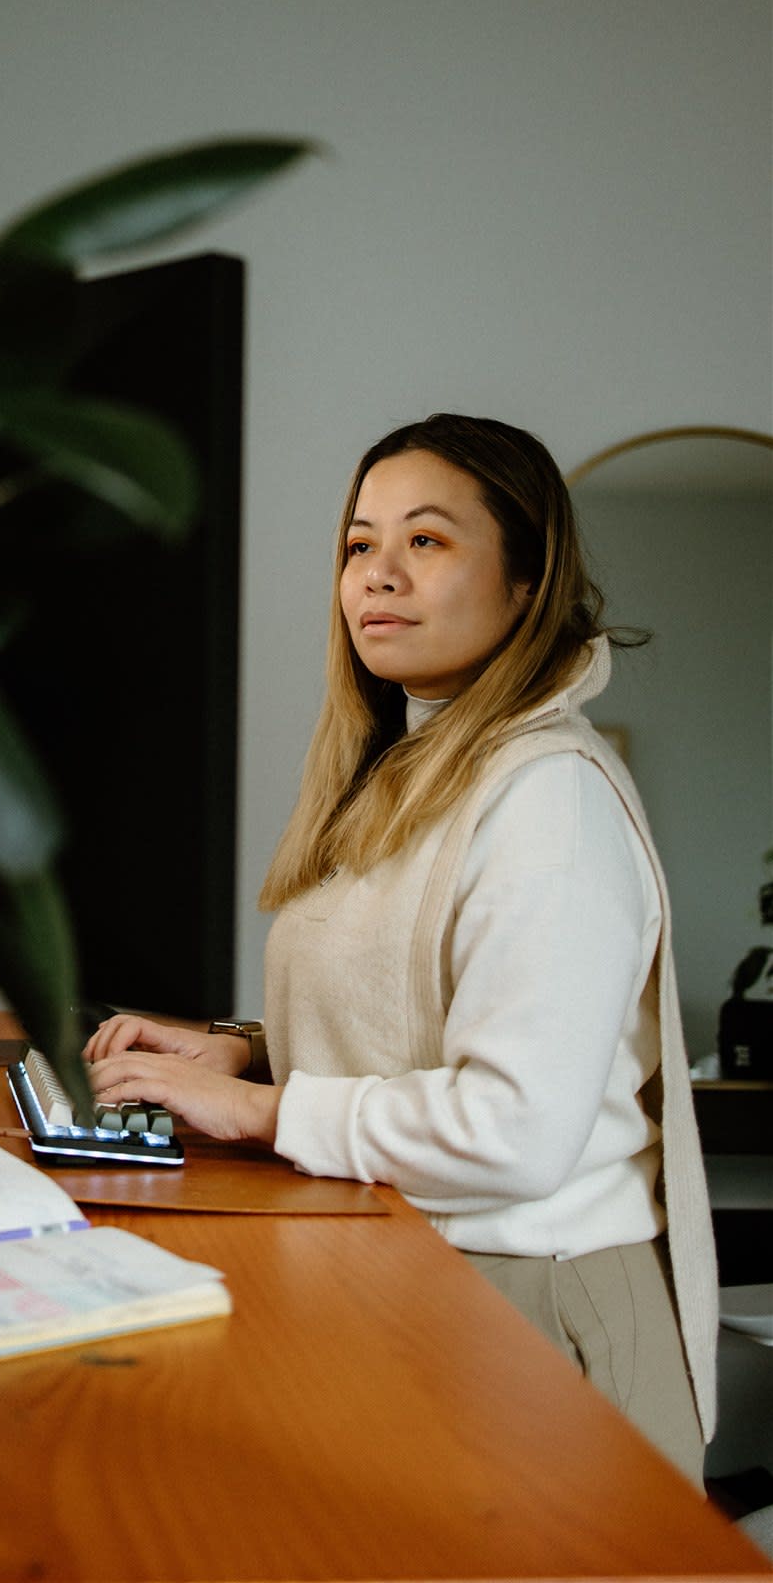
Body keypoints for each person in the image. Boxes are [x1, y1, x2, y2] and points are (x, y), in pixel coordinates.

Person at [86, 412, 717, 1483]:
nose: (378, 574)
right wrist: (250, 1052)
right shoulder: (410, 764)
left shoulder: (547, 795)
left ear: (527, 579)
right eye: (359, 544)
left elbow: (515, 1126)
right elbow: (411, 1009)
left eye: (426, 540)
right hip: (415, 1270)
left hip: (536, 1298)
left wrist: (267, 1110)